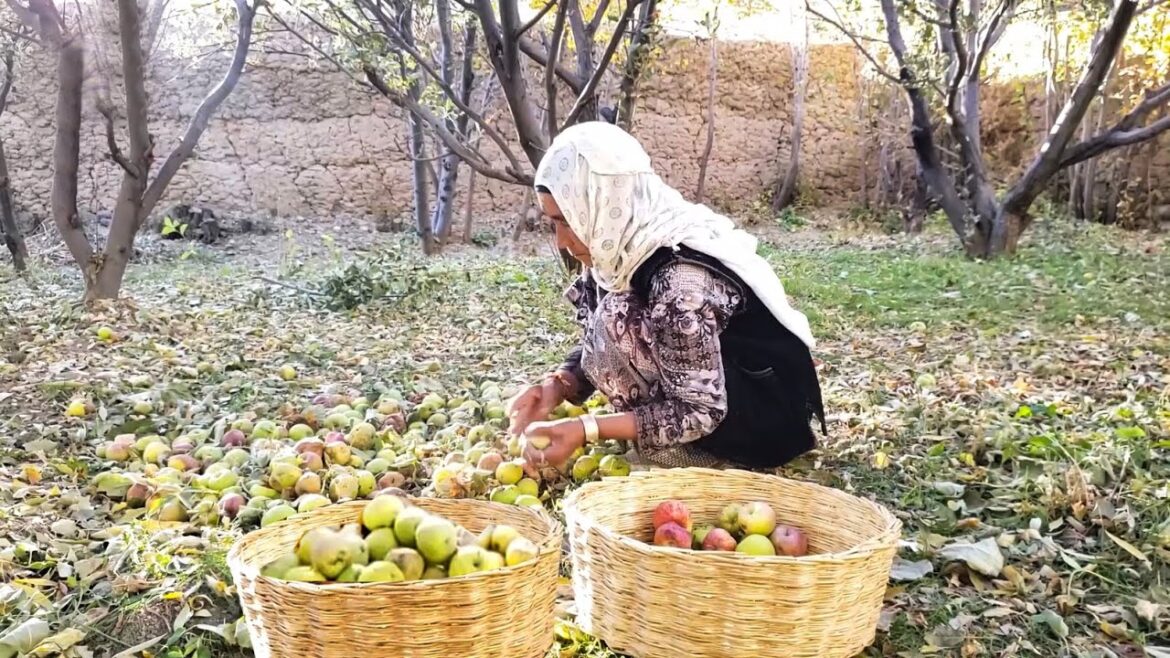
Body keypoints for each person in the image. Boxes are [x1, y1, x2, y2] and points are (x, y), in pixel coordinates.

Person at [508, 121, 826, 472]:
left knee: (618, 314)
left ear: (606, 203)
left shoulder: (681, 281)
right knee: (613, 314)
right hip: (719, 396)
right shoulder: (617, 250)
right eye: (554, 223)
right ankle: (663, 435)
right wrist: (558, 384)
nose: (561, 241)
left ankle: (711, 458)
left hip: (762, 422)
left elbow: (700, 410)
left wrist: (587, 429)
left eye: (568, 221)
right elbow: (600, 340)